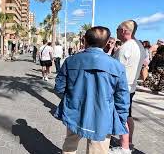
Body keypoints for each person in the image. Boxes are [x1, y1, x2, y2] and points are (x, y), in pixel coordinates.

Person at [55, 26, 130, 154]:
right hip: (103, 115)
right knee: (98, 149)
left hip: (75, 110)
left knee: (70, 143)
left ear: (85, 40)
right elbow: (122, 98)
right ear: (107, 43)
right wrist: (121, 119)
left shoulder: (70, 61)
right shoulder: (117, 66)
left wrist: (71, 100)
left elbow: (59, 87)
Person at [110, 20, 146, 154]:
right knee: (128, 115)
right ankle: (128, 142)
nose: (116, 31)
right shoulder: (139, 45)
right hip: (131, 87)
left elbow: (115, 70)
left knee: (122, 117)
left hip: (122, 88)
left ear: (124, 31)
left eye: (118, 29)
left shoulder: (126, 47)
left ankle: (124, 148)